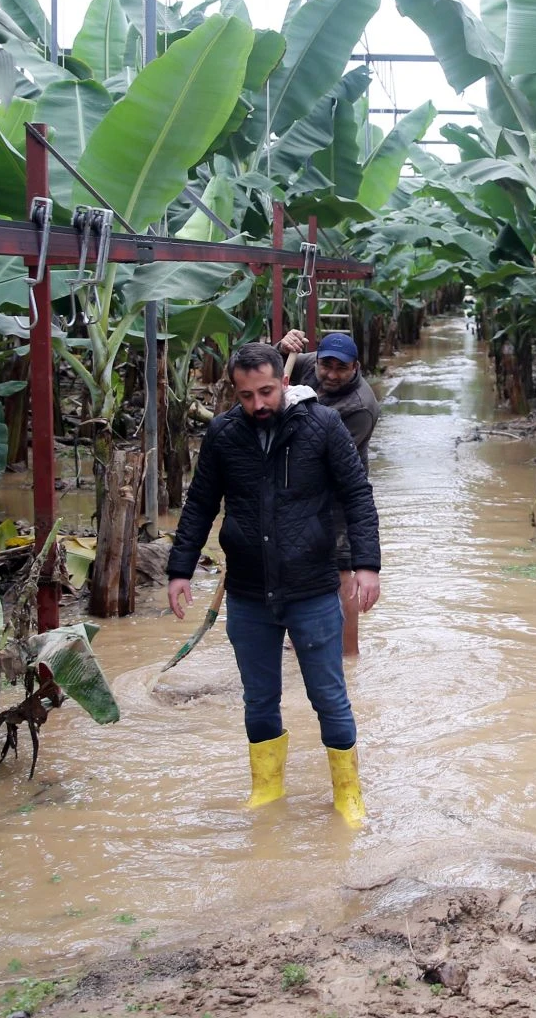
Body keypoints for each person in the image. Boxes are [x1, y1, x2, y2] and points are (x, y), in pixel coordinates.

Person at [166, 342, 381, 824]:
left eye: (266, 392)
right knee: (259, 698)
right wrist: (180, 569)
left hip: (312, 587)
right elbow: (200, 504)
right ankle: (266, 789)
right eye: (246, 396)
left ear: (284, 383)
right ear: (235, 393)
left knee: (328, 695)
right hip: (248, 592)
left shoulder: (322, 425)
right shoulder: (223, 433)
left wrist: (367, 564)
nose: (258, 405)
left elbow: (357, 495)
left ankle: (348, 793)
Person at [276, 330, 380, 655]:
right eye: (327, 366)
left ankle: (349, 653)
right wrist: (279, 348)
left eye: (341, 368)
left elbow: (316, 452)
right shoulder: (307, 364)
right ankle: (301, 638)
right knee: (296, 561)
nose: (332, 375)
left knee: (340, 571)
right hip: (299, 488)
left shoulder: (360, 407)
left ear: (356, 367)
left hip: (338, 493)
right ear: (317, 360)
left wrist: (284, 409)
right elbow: (258, 369)